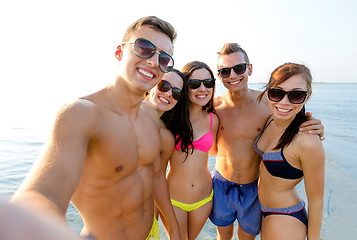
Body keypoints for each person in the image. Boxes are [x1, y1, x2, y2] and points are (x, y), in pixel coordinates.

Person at [10, 16, 181, 240]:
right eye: (144, 48)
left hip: (151, 234)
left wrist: (175, 232)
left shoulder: (149, 115)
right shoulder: (81, 114)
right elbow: (44, 195)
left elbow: (156, 177)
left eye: (164, 59)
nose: (153, 62)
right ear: (120, 52)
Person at [208, 43, 324, 240]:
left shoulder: (268, 104)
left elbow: (291, 115)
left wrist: (314, 126)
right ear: (219, 76)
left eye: (239, 68)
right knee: (223, 236)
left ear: (249, 69)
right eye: (225, 71)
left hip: (254, 189)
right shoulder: (214, 107)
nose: (233, 75)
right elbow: (201, 137)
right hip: (222, 183)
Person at [255, 63, 325, 240]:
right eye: (277, 93)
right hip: (261, 210)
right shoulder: (270, 120)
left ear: (307, 97)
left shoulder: (308, 140)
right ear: (268, 92)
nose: (284, 102)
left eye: (296, 95)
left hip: (285, 218)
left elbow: (316, 201)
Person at [160, 61, 219, 240]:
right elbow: (157, 169)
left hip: (204, 198)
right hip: (173, 199)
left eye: (208, 83)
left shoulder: (213, 120)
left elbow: (215, 151)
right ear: (185, 88)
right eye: (195, 84)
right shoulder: (169, 118)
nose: (203, 88)